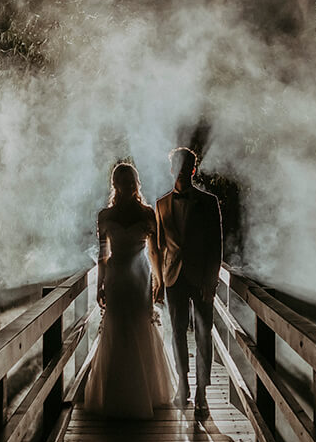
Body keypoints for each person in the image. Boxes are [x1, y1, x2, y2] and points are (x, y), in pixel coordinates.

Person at [83, 162, 175, 419]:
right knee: (126, 325)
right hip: (126, 276)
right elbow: (108, 256)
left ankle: (131, 391)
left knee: (130, 324)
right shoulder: (127, 214)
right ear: (121, 184)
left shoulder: (128, 214)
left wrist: (159, 281)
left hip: (129, 276)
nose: (126, 186)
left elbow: (150, 251)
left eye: (127, 182)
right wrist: (101, 283)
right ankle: (132, 391)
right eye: (124, 182)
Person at [154, 147, 223, 421]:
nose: (182, 171)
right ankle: (183, 385)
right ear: (172, 169)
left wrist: (212, 281)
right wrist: (158, 280)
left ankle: (202, 393)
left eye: (187, 167)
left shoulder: (209, 202)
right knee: (178, 333)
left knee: (204, 334)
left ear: (193, 169)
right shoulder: (160, 204)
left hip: (201, 278)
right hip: (173, 277)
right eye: (178, 166)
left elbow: (217, 246)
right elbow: (159, 247)